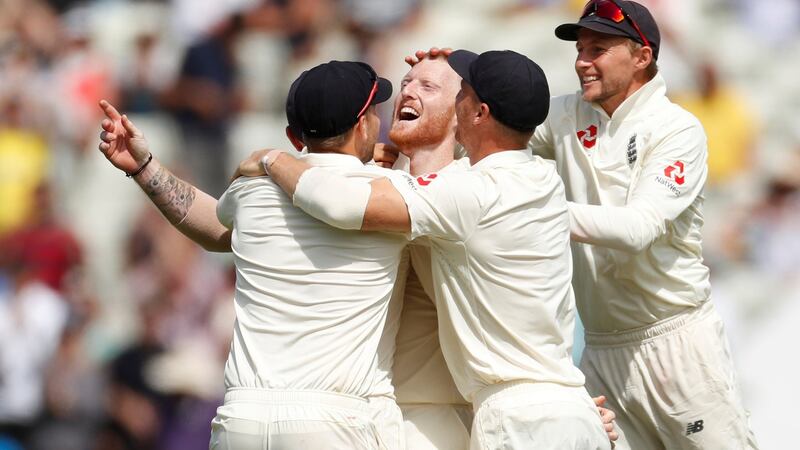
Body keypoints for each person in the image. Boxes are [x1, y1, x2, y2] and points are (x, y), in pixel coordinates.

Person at [259, 49, 611, 450]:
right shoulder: (538, 177)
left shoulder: (463, 193)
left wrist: (272, 159)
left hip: (497, 417)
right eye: (407, 83)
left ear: (475, 112)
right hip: (543, 404)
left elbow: (344, 204)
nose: (408, 91)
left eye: (435, 87)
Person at [97, 60, 409, 449]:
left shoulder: (254, 191)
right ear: (364, 124)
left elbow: (213, 228)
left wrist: (144, 166)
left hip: (242, 417)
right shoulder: (391, 194)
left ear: (294, 138)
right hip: (330, 421)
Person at [526, 1, 758, 448]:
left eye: (597, 49)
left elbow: (637, 229)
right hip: (600, 348)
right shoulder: (566, 115)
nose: (581, 62)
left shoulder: (676, 129)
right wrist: (454, 83)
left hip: (676, 345)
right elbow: (490, 141)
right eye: (580, 49)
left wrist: (533, 206)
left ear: (641, 56)